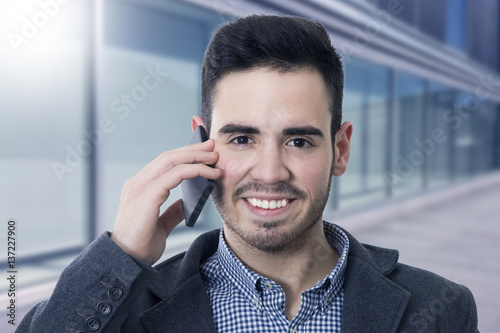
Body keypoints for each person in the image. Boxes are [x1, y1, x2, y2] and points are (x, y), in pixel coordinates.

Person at [18, 15, 478, 333]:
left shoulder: (440, 307)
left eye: (299, 141)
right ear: (203, 144)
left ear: (340, 150)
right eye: (242, 139)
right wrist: (120, 256)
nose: (270, 172)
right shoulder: (125, 310)